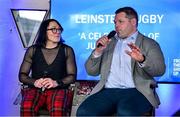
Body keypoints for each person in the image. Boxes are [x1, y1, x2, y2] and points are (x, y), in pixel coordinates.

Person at [77, 6, 166, 116]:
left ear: (133, 22)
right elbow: (91, 71)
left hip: (137, 91)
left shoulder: (149, 43)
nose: (116, 26)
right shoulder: (108, 43)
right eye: (115, 22)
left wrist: (142, 60)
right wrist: (98, 51)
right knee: (84, 112)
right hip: (108, 91)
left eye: (120, 22)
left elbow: (160, 70)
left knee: (126, 112)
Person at [19, 19, 77, 116]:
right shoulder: (32, 50)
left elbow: (72, 76)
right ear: (44, 32)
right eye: (53, 29)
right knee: (27, 106)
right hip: (35, 89)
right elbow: (22, 76)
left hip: (59, 89)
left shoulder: (67, 50)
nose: (57, 32)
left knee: (57, 108)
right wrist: (35, 82)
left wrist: (55, 83)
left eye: (59, 29)